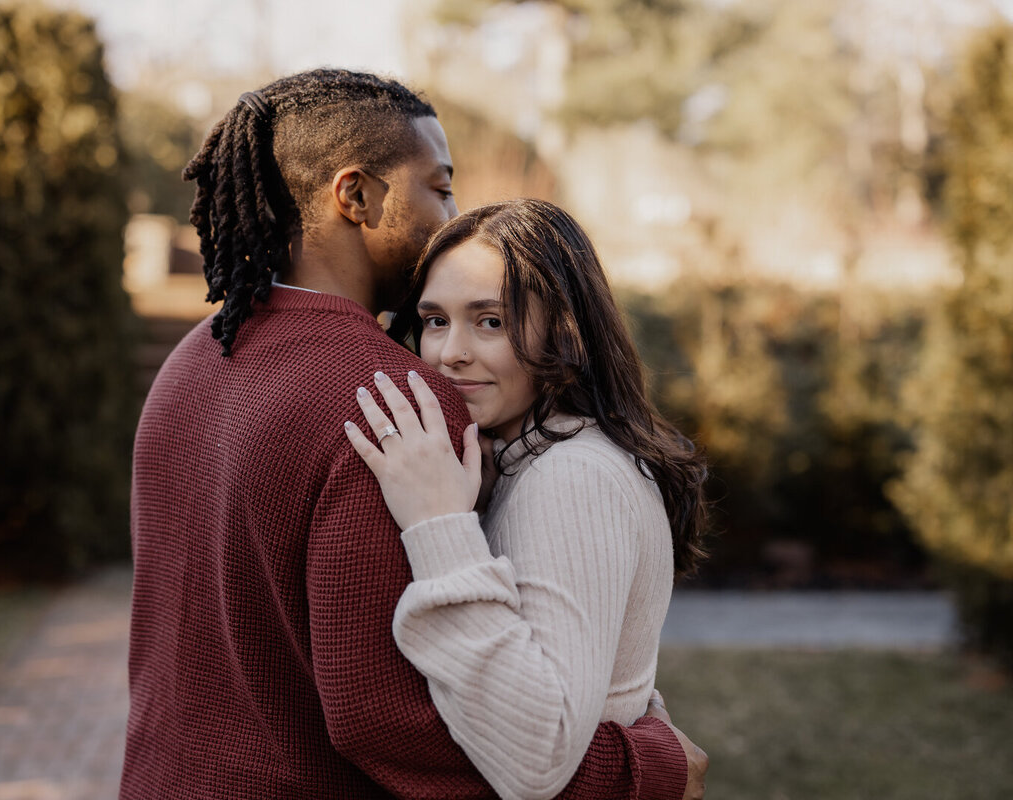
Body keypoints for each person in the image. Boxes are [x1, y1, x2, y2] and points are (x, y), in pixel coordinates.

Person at [120, 69, 706, 800]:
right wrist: (643, 770)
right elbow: (389, 719)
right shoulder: (393, 401)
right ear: (356, 196)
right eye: (440, 187)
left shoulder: (198, 354)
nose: (449, 215)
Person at [345, 199, 710, 799]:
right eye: (435, 320)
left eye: (490, 321)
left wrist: (438, 524)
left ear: (565, 332)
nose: (449, 353)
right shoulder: (523, 459)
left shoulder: (575, 476)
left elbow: (539, 756)